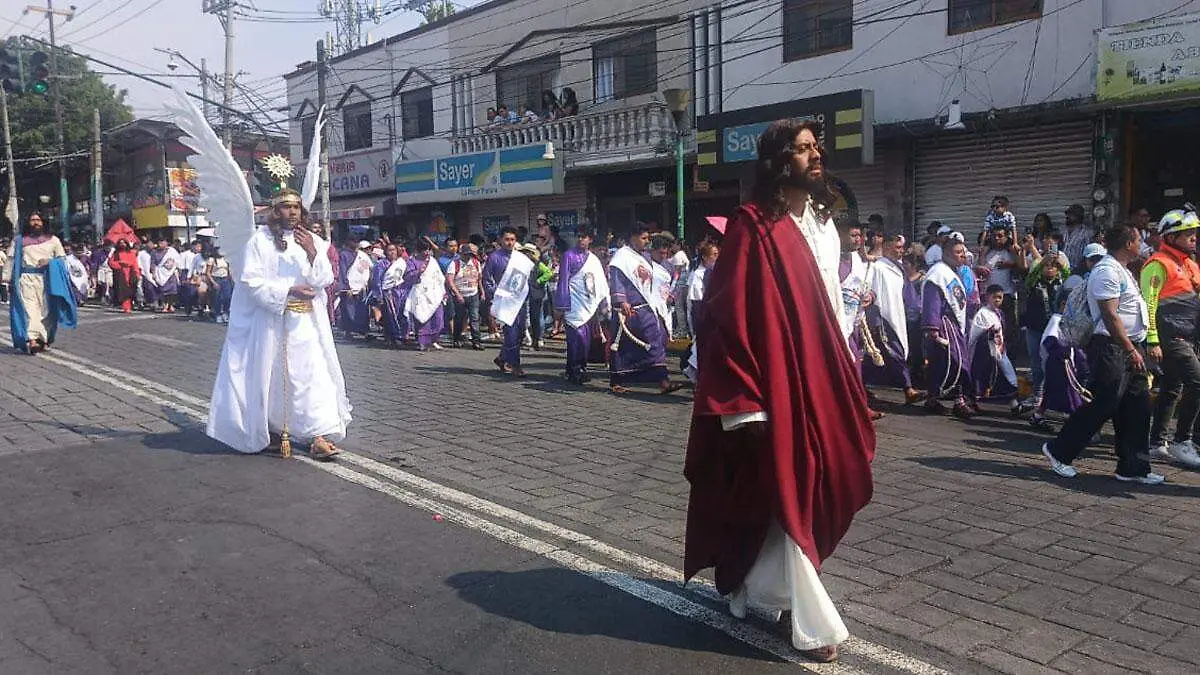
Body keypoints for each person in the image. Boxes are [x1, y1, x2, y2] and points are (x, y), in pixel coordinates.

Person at [683, 118, 875, 663]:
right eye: (803, 149)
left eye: (817, 148)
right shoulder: (751, 225)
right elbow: (726, 317)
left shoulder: (822, 224)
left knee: (827, 479)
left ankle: (750, 584)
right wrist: (742, 401)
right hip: (772, 386)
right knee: (796, 483)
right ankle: (808, 619)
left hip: (825, 378)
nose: (816, 156)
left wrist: (847, 379)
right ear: (777, 162)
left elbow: (833, 313)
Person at [208, 188, 350, 460]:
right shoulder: (259, 242)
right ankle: (274, 430)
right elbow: (252, 282)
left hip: (307, 323)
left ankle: (317, 435)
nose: (293, 212)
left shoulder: (314, 241)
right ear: (275, 212)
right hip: (273, 322)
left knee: (312, 375)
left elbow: (325, 279)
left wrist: (311, 252)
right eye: (286, 207)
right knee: (274, 378)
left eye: (297, 207)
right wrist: (289, 290)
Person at [1041, 224, 1162, 484]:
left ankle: (1133, 466)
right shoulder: (1106, 271)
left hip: (1131, 346)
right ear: (1128, 244)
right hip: (1112, 347)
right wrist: (1130, 349)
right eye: (1138, 239)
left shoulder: (1124, 271)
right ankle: (1059, 451)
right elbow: (1110, 315)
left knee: (1137, 406)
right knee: (1102, 403)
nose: (1141, 244)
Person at [1143, 209, 1200, 468]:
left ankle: (1157, 443)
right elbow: (1149, 304)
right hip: (1170, 336)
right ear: (1172, 236)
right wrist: (1152, 341)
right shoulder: (1157, 264)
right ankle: (1182, 441)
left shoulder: (1189, 263)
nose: (1194, 238)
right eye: (1188, 234)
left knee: (1172, 388)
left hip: (1187, 336)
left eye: (1194, 233)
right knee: (1197, 382)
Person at [608, 226, 683, 395]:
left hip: (646, 308)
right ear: (633, 237)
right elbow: (617, 280)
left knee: (655, 341)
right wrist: (622, 301)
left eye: (648, 238)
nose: (647, 241)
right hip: (629, 309)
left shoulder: (644, 258)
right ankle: (617, 380)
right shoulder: (622, 257)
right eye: (643, 238)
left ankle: (663, 381)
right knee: (622, 347)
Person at [864, 233, 924, 404]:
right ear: (888, 246)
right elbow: (871, 291)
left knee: (874, 355)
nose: (901, 251)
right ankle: (908, 389)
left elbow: (907, 292)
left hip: (898, 316)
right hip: (883, 317)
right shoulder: (877, 267)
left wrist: (915, 311)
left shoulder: (898, 268)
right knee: (894, 351)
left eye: (901, 247)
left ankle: (859, 384)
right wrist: (874, 319)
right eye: (897, 247)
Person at [7, 212, 75, 354]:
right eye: (32, 220)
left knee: (46, 311)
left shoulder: (53, 240)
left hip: (48, 279)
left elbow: (62, 259)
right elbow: (11, 259)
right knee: (30, 310)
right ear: (28, 223)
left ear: (43, 222)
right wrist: (6, 277)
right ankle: (32, 339)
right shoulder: (19, 240)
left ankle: (42, 339)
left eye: (38, 220)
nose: (36, 222)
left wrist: (50, 262)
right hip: (26, 279)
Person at [922, 241, 975, 419]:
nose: (962, 255)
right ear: (946, 254)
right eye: (957, 252)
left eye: (963, 252)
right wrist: (933, 327)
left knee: (943, 363)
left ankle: (937, 398)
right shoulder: (938, 274)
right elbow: (932, 301)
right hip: (943, 325)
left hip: (955, 323)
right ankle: (957, 400)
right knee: (958, 361)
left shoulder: (954, 272)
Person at [555, 230, 609, 384]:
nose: (580, 240)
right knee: (575, 338)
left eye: (583, 237)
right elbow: (563, 280)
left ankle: (579, 368)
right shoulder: (568, 255)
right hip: (573, 303)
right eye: (578, 236)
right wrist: (562, 304)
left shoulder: (593, 259)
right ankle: (574, 370)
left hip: (588, 304)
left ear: (590, 239)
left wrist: (604, 302)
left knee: (585, 340)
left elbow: (600, 282)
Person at [1020, 252, 1068, 410]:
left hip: (1054, 331)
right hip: (1035, 328)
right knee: (1037, 365)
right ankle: (1037, 396)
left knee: (1056, 365)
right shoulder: (1034, 283)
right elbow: (1029, 278)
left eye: (1053, 267)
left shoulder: (1061, 283)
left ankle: (1056, 398)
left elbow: (1071, 277)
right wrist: (1041, 263)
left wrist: (1061, 264)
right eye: (1047, 266)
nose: (1049, 269)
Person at [483, 226, 532, 377]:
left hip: (519, 302)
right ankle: (514, 364)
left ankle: (502, 358)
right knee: (510, 334)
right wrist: (495, 296)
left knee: (520, 334)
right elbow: (487, 279)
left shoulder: (520, 258)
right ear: (500, 240)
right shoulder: (494, 257)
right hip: (504, 303)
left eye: (512, 240)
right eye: (507, 239)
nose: (509, 243)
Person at [968, 284, 1020, 411]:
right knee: (981, 379)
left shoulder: (999, 313)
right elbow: (979, 332)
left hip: (998, 352)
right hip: (985, 353)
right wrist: (990, 333)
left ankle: (1015, 405)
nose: (997, 300)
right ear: (987, 297)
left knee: (1007, 378)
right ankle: (971, 401)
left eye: (1000, 297)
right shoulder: (983, 313)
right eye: (994, 297)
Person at [683, 241, 718, 383]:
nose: (717, 257)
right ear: (704, 257)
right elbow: (696, 301)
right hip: (702, 315)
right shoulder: (697, 275)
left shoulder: (716, 272)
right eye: (714, 254)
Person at [403, 237, 447, 352]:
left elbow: (439, 278)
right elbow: (407, 277)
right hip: (420, 294)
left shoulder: (432, 261)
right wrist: (419, 272)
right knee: (422, 319)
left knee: (438, 319)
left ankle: (433, 340)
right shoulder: (411, 261)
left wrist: (443, 292)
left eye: (428, 249)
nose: (426, 252)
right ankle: (423, 342)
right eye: (424, 250)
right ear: (418, 250)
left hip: (434, 294)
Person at [446, 242, 484, 349]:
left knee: (475, 317)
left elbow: (479, 279)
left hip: (473, 293)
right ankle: (457, 339)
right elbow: (450, 281)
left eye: (470, 255)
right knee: (459, 318)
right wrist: (457, 294)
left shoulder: (476, 263)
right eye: (467, 254)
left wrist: (482, 292)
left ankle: (476, 341)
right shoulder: (454, 264)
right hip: (460, 294)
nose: (468, 257)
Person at [338, 240, 373, 338]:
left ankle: (363, 330)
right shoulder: (344, 255)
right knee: (348, 309)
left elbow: (368, 269)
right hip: (349, 287)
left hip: (362, 288)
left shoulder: (363, 256)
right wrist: (346, 287)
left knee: (362, 309)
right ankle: (349, 331)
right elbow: (343, 270)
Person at [108, 239, 140, 313]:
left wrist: (137, 274)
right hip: (120, 274)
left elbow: (135, 264)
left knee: (131, 289)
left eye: (124, 243)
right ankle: (126, 306)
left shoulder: (131, 253)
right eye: (120, 243)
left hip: (130, 273)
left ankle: (130, 305)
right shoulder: (115, 253)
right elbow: (110, 263)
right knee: (123, 290)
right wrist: (120, 263)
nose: (122, 245)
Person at [150, 238, 182, 313]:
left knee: (172, 291)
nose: (161, 244)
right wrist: (154, 273)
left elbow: (177, 261)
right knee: (163, 290)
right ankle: (165, 305)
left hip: (171, 273)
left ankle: (170, 305)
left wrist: (179, 270)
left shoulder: (172, 251)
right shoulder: (154, 252)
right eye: (160, 242)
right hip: (160, 273)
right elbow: (153, 263)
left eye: (163, 242)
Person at [1062, 203, 1095, 271]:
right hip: (1062, 269)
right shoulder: (1063, 231)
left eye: (1071, 215)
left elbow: (1088, 254)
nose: (1068, 216)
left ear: (1079, 216)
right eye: (1068, 214)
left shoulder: (1086, 233)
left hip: (1077, 270)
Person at [206, 247, 234, 324]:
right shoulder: (212, 260)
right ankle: (217, 314)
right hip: (216, 279)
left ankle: (225, 312)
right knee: (218, 298)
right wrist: (213, 282)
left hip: (225, 279)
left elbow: (228, 271)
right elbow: (208, 272)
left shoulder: (226, 259)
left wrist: (232, 281)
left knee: (227, 297)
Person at [137, 241, 155, 310]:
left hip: (151, 274)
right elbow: (138, 263)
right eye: (149, 246)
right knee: (140, 288)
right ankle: (141, 302)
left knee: (151, 288)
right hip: (142, 273)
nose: (150, 248)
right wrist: (140, 271)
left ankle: (152, 302)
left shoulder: (154, 253)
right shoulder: (141, 253)